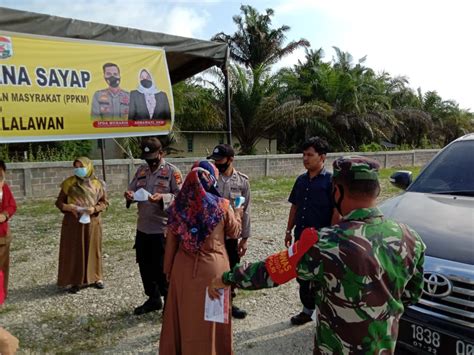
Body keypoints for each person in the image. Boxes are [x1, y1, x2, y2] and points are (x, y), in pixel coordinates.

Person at [210, 156, 426, 354]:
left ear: (337, 191)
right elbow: (412, 294)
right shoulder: (411, 239)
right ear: (376, 191)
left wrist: (229, 278)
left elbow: (274, 271)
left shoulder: (326, 242)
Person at [159, 160, 243, 354]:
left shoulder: (178, 208)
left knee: (184, 316)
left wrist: (168, 271)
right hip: (214, 270)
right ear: (211, 180)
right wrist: (238, 213)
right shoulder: (222, 206)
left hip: (183, 269)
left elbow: (170, 243)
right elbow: (234, 232)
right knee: (212, 319)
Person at [124, 137, 182, 315]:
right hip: (143, 228)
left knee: (162, 268)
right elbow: (132, 188)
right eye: (146, 157)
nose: (149, 160)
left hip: (162, 230)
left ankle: (169, 302)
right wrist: (129, 194)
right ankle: (153, 298)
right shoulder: (141, 170)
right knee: (144, 266)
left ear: (161, 153)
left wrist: (163, 198)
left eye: (152, 156)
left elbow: (181, 199)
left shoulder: (172, 172)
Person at [284, 136, 339, 325]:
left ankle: (325, 315)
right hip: (301, 238)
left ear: (322, 157)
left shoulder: (331, 182)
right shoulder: (301, 181)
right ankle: (307, 310)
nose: (305, 158)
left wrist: (331, 236)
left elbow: (336, 210)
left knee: (323, 278)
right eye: (304, 154)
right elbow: (295, 206)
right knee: (302, 275)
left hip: (322, 240)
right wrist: (288, 230)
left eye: (310, 155)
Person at [207, 144, 250, 319]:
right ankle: (211, 303)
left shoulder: (242, 182)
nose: (217, 163)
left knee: (232, 268)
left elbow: (246, 211)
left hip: (231, 236)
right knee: (213, 269)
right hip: (212, 236)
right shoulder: (210, 179)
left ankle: (230, 302)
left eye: (220, 160)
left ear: (230, 160)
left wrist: (245, 238)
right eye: (214, 160)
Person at [55, 157, 108, 293]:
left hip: (92, 222)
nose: (78, 169)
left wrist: (94, 209)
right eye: (76, 166)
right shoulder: (69, 183)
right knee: (75, 250)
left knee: (93, 249)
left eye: (81, 166)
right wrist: (68, 207)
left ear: (89, 167)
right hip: (73, 222)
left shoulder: (98, 184)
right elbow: (59, 202)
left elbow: (104, 203)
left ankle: (97, 277)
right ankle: (76, 280)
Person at [0, 160, 17, 299]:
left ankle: (1, 294)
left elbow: (12, 205)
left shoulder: (4, 188)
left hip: (2, 234)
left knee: (2, 266)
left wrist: (5, 215)